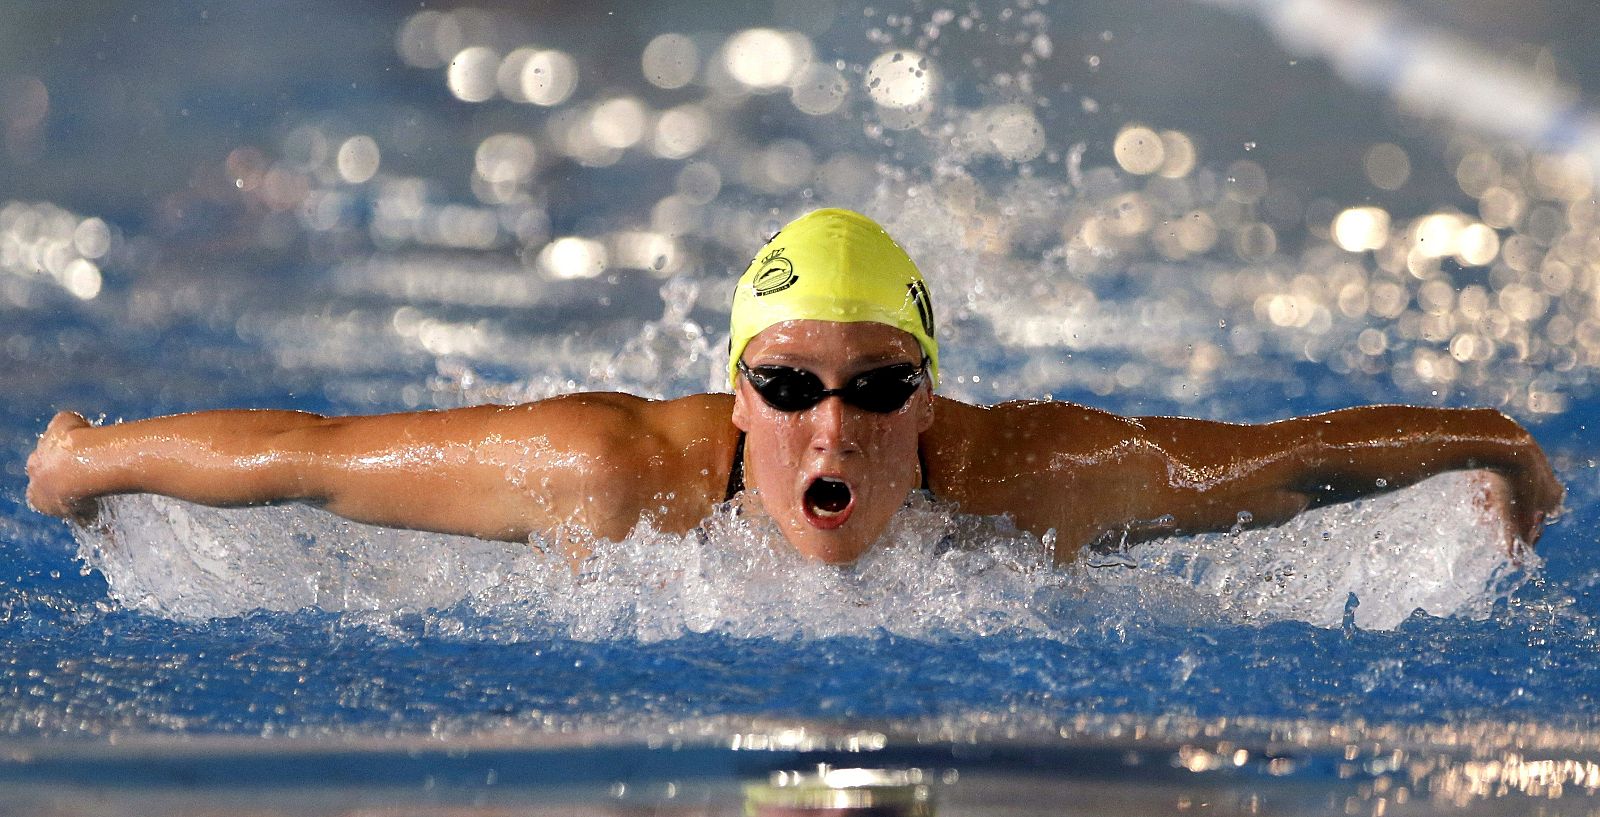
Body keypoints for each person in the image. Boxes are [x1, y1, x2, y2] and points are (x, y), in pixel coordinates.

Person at [26, 208, 1562, 565]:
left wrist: (1490, 443)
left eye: (883, 385)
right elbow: (319, 455)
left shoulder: (1030, 472)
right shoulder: (613, 472)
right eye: (793, 384)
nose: (837, 424)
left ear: (935, 397)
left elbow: (1282, 457)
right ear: (738, 396)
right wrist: (87, 458)